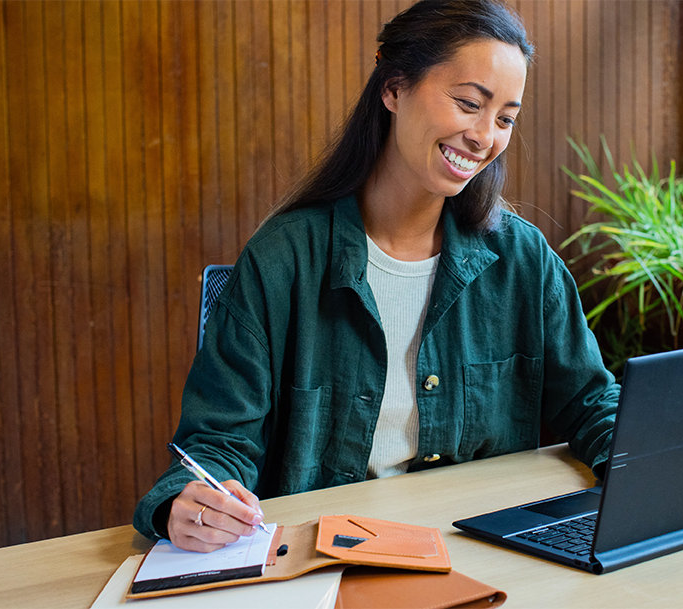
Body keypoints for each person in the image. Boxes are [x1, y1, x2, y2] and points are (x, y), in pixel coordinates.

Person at [133, 0, 618, 553]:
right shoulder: (283, 258)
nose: (485, 136)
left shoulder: (522, 259)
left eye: (505, 119)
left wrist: (647, 467)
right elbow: (218, 442)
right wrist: (193, 502)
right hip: (327, 560)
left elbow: (591, 403)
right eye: (468, 104)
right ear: (393, 88)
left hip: (481, 552)